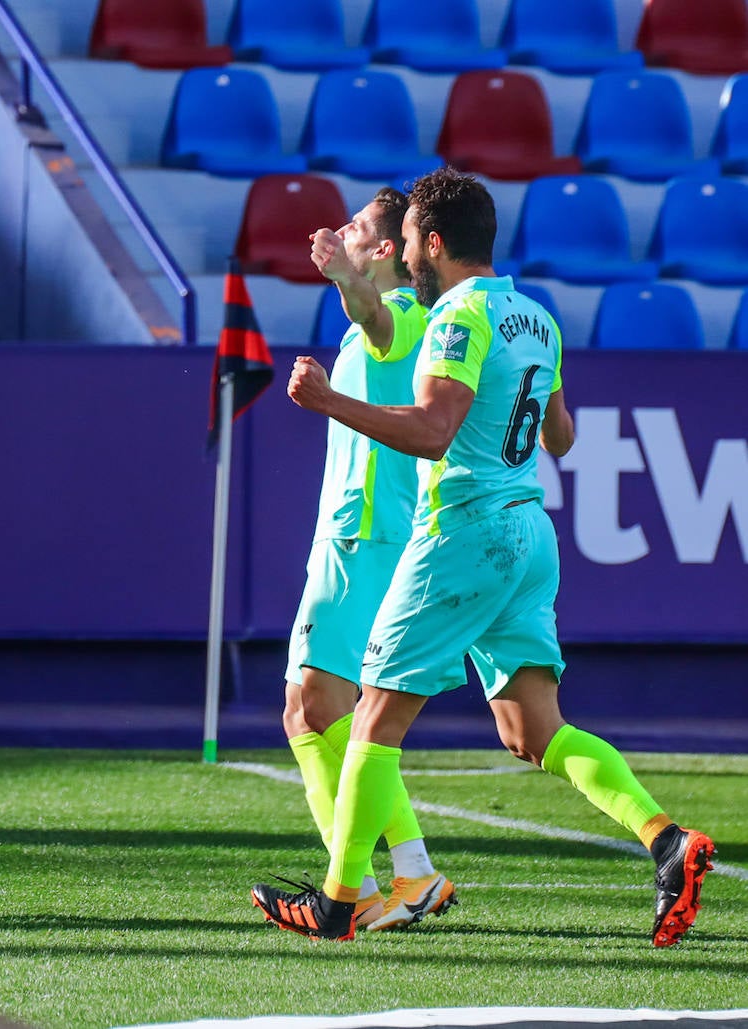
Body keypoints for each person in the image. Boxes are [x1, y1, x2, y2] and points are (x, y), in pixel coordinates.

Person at [277, 167, 714, 945]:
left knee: (373, 718)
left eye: (409, 238)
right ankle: (667, 839)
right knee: (532, 729)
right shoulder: (534, 316)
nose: (406, 251)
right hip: (529, 528)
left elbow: (434, 431)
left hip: (465, 529)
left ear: (434, 243)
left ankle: (341, 905)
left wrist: (331, 403)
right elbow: (561, 435)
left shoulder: (455, 318)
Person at [251, 188, 455, 935]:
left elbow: (372, 313)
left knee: (314, 709)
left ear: (383, 252)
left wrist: (343, 277)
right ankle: (403, 872)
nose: (341, 232)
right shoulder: (397, 322)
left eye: (359, 230)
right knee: (319, 710)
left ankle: (396, 874)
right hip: (357, 536)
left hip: (362, 538)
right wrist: (346, 278)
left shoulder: (402, 316)